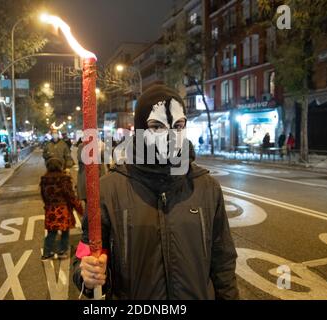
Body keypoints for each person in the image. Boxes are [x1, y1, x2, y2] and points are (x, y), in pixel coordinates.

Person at [72, 84, 239, 300]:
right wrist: (86, 274)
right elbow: (84, 255)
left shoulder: (207, 188)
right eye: (157, 126)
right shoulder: (108, 190)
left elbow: (223, 263)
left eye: (178, 125)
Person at [40, 158, 83, 260]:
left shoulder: (44, 179)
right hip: (62, 210)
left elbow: (44, 196)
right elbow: (70, 196)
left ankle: (47, 252)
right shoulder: (64, 178)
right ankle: (62, 251)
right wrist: (79, 209)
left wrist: (48, 206)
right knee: (64, 231)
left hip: (50, 210)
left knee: (51, 232)